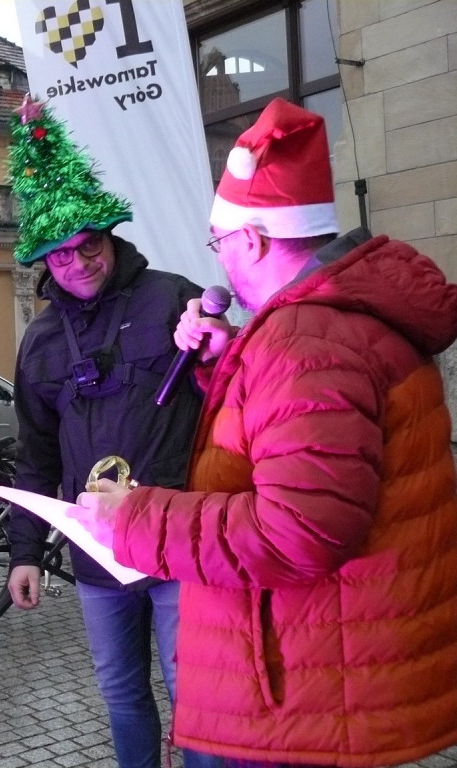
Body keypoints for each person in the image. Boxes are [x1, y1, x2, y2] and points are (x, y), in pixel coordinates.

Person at [72, 98, 457, 767]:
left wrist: (134, 519)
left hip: (301, 696)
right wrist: (231, 360)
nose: (221, 261)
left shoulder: (305, 343)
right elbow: (291, 439)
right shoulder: (322, 329)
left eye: (219, 244)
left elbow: (297, 531)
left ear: (250, 239)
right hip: (324, 675)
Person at [3, 97, 211, 768]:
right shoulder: (38, 342)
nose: (78, 263)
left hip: (179, 540)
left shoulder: (172, 294)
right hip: (97, 557)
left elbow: (225, 397)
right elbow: (34, 456)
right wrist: (25, 555)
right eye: (59, 256)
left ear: (108, 236)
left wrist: (219, 346)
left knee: (198, 695)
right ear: (43, 262)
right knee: (122, 694)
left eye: (87, 245)